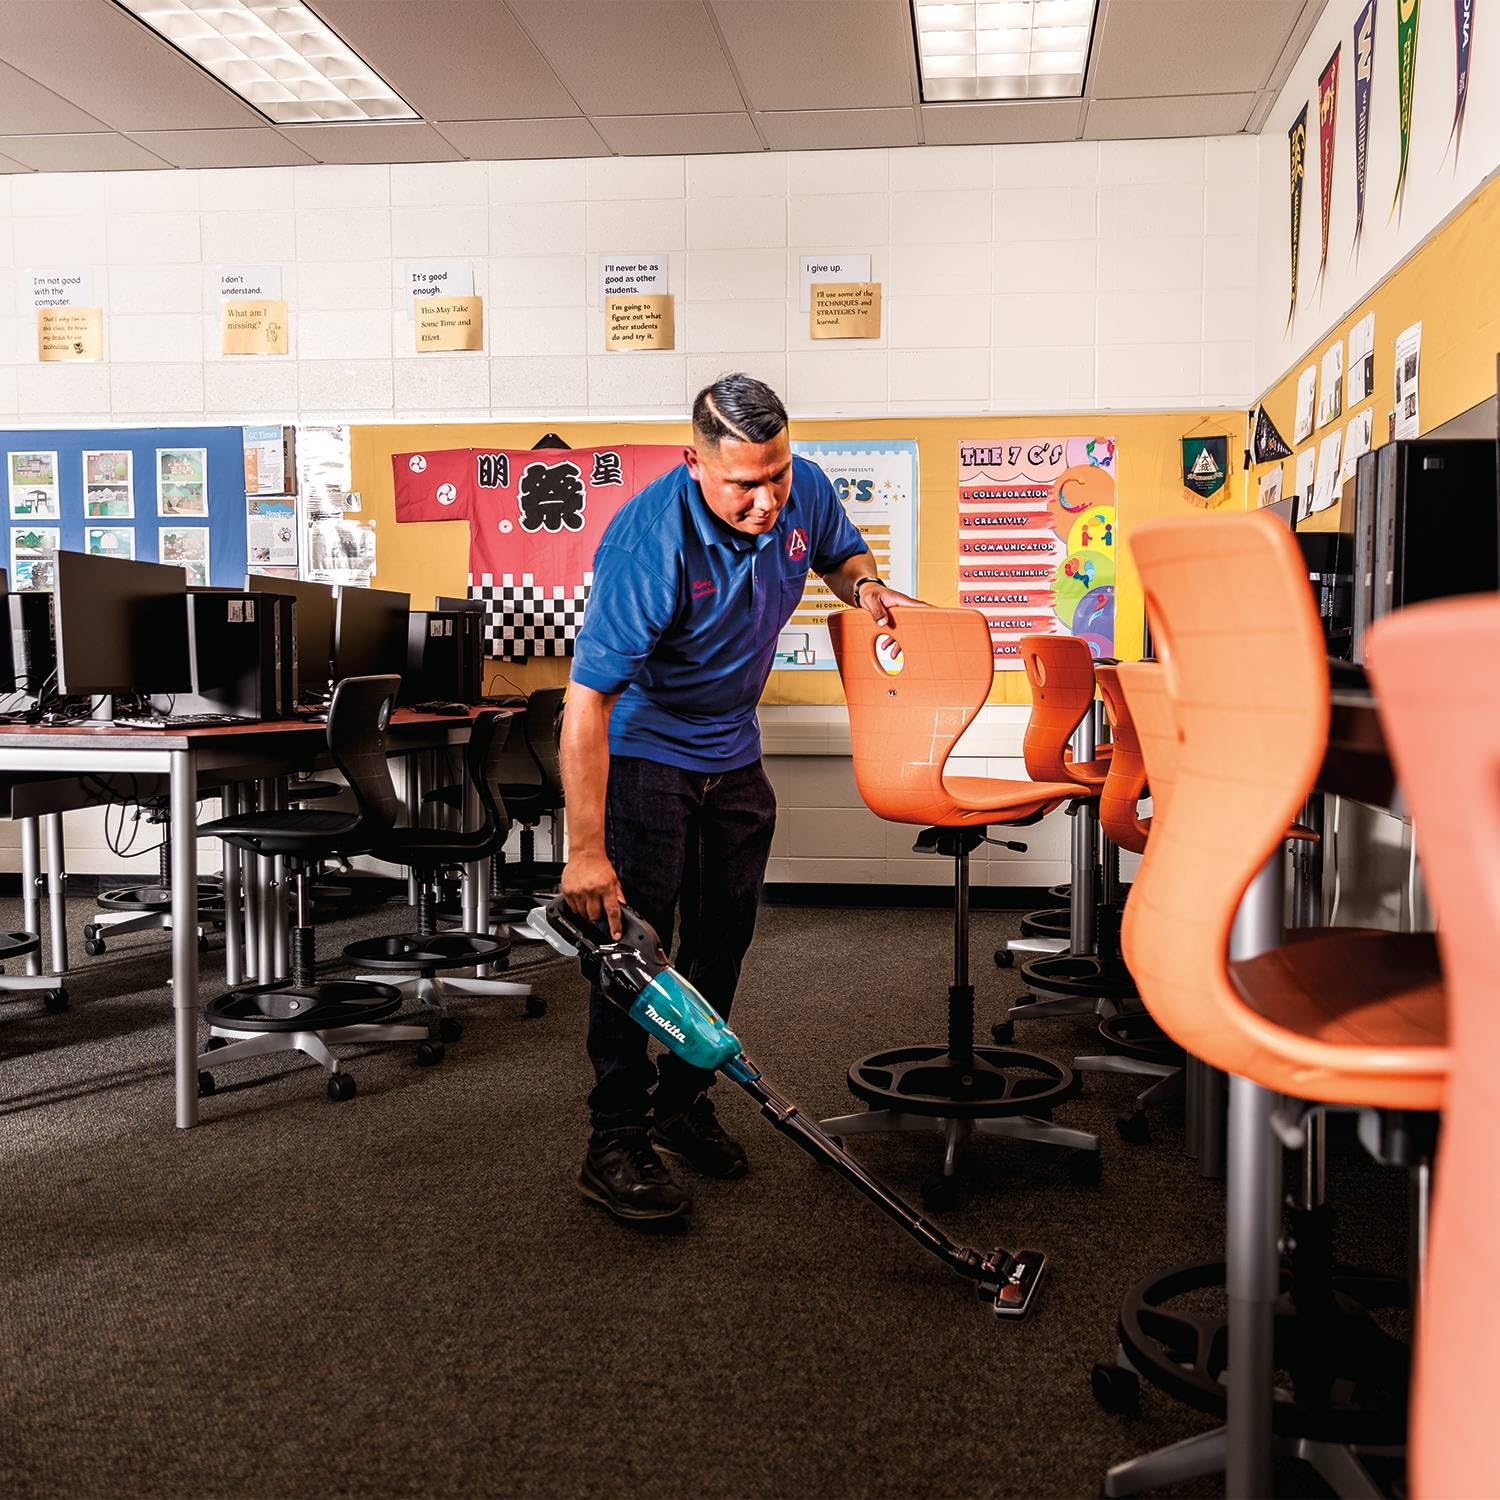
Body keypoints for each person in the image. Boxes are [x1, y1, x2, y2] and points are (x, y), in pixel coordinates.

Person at [562, 373, 923, 1225]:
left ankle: (682, 1103)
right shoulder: (648, 542)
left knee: (724, 936)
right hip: (647, 753)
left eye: (777, 476)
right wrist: (585, 851)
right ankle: (614, 1136)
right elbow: (585, 704)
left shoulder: (803, 490)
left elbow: (841, 556)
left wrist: (868, 589)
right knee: (631, 950)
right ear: (695, 465)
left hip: (734, 750)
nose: (767, 502)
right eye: (744, 485)